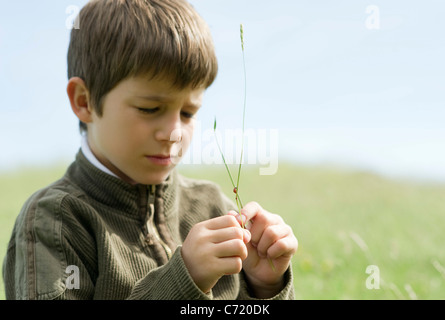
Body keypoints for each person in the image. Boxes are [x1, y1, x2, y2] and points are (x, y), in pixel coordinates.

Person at [3, 0, 298, 300]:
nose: (174, 133)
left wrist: (265, 287)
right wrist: (183, 281)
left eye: (188, 113)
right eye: (150, 108)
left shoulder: (212, 207)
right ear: (84, 101)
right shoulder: (55, 222)